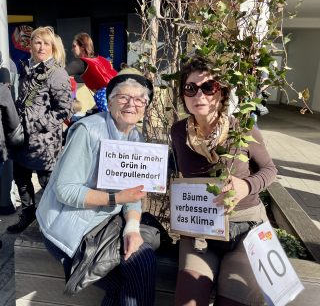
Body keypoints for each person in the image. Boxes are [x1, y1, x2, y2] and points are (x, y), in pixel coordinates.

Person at [36, 68, 157, 305]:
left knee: (141, 260)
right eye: (123, 97)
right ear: (109, 102)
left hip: (104, 222)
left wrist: (132, 227)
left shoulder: (136, 139)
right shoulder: (88, 131)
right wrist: (116, 198)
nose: (131, 104)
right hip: (69, 227)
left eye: (140, 99)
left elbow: (132, 193)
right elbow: (66, 190)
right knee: (133, 274)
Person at [171, 56, 277, 306]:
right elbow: (179, 169)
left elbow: (270, 170)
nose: (200, 95)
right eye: (191, 88)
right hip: (201, 229)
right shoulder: (177, 132)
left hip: (246, 228)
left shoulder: (243, 129)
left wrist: (245, 186)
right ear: (183, 95)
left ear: (222, 93)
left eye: (209, 87)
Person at [7, 26, 73, 233]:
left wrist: (38, 124)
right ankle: (27, 214)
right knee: (22, 180)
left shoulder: (57, 73)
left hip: (44, 143)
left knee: (48, 185)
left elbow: (65, 110)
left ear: (53, 47)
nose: (41, 46)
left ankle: (55, 223)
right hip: (22, 139)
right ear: (31, 46)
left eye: (46, 43)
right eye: (37, 42)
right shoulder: (27, 68)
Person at [65, 32, 117, 112]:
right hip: (121, 98)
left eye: (74, 46)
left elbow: (59, 74)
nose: (72, 49)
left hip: (108, 103)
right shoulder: (102, 59)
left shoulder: (81, 63)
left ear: (82, 46)